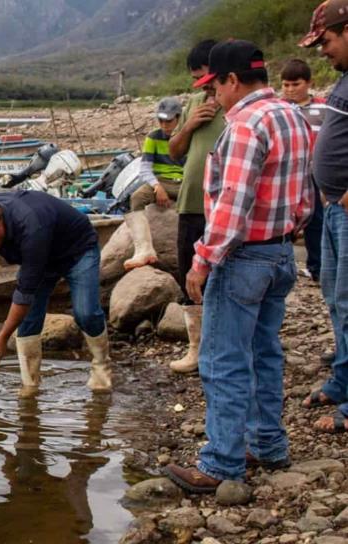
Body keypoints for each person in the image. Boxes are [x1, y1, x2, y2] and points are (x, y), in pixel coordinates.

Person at [164, 40, 314, 493]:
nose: (215, 97)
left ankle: (221, 463)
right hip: (280, 250)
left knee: (223, 360)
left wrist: (203, 260)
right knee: (264, 352)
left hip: (243, 255)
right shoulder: (294, 115)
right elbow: (305, 192)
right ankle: (267, 443)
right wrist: (290, 229)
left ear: (233, 80)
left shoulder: (246, 123)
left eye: (217, 86)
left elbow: (232, 201)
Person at [0, 192, 111, 397]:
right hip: (39, 258)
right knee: (28, 321)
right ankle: (30, 384)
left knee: (86, 313)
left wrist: (2, 338)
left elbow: (25, 293)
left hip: (77, 251)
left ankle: (101, 368)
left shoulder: (31, 226)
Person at [299, 0, 348, 434]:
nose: (323, 52)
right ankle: (344, 378)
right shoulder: (344, 80)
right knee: (336, 298)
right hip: (332, 208)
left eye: (327, 41)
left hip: (345, 209)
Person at [166, 39, 227, 375]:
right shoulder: (192, 104)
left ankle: (221, 347)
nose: (202, 86)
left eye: (205, 78)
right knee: (187, 273)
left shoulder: (237, 106)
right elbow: (174, 151)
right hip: (190, 202)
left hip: (222, 206)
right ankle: (195, 349)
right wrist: (189, 125)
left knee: (222, 274)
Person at [123, 97, 186, 270]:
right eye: (161, 120)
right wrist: (157, 186)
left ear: (179, 118)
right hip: (162, 182)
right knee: (137, 198)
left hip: (185, 183)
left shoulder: (187, 136)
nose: (165, 125)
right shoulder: (153, 137)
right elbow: (145, 169)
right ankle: (144, 249)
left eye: (169, 121)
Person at [281, 58, 328, 281]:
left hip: (314, 175)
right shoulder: (279, 109)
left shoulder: (322, 108)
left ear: (309, 83)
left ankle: (317, 267)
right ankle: (284, 265)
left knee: (316, 220)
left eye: (296, 84)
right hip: (288, 176)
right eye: (286, 85)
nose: (290, 90)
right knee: (286, 220)